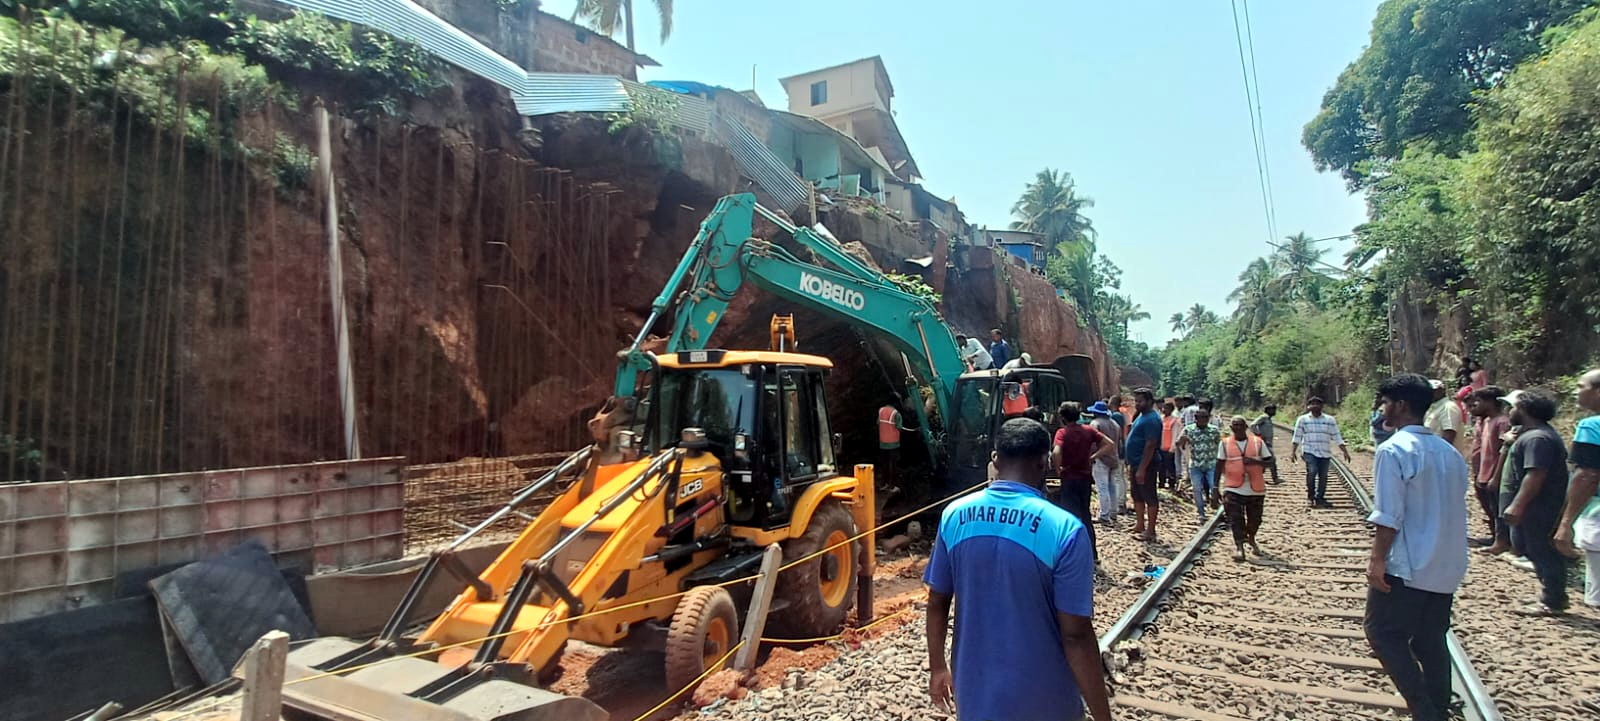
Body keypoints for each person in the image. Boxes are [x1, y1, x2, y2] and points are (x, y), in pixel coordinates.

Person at [924, 417, 1115, 721]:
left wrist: (937, 668)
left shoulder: (954, 516)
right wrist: (1103, 716)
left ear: (996, 460)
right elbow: (1076, 635)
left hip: (975, 696)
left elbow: (936, 602)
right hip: (1046, 702)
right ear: (1044, 463)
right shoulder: (1065, 530)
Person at [1363, 373, 1469, 721]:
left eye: (1385, 403)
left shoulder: (1393, 449)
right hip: (1445, 564)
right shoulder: (1449, 454)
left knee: (1382, 633)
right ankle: (1437, 707)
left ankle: (1426, 712)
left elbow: (1389, 515)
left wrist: (1377, 561)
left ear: (1401, 405)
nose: (1382, 410)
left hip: (1408, 565)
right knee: (1430, 639)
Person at [1502, 389, 1571, 615]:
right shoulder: (1534, 435)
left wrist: (1518, 504)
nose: (1510, 411)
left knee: (1541, 549)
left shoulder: (1537, 439)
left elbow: (1536, 474)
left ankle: (1553, 600)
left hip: (1540, 505)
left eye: (1514, 407)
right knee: (1531, 547)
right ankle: (1550, 595)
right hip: (1537, 504)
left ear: (1524, 410)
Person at [1557, 369, 1600, 609]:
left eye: (1581, 386)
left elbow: (1588, 475)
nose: (1576, 392)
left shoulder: (1591, 426)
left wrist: (1566, 523)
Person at [1054, 402, 1116, 564]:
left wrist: (1058, 468)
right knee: (1085, 515)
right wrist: (1093, 457)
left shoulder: (1062, 433)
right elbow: (1109, 444)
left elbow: (1056, 452)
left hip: (1069, 478)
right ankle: (1093, 554)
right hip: (1085, 478)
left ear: (1063, 417)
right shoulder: (1088, 430)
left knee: (1069, 518)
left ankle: (1072, 555)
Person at [1217, 416, 1271, 561]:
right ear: (1231, 428)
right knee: (1235, 518)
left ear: (1246, 427)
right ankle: (1239, 547)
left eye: (1241, 425)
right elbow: (1219, 464)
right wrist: (1215, 487)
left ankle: (1251, 537)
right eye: (1235, 425)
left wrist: (1254, 461)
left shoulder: (1257, 442)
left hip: (1255, 488)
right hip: (1233, 487)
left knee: (1255, 519)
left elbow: (1270, 462)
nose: (1238, 428)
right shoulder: (1225, 443)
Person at [1467, 387, 1510, 550]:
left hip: (1494, 473)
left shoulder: (1502, 422)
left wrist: (1496, 476)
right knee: (1490, 507)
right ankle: (1495, 537)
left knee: (1499, 509)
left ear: (1492, 402)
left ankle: (1502, 541)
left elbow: (1503, 451)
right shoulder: (1486, 421)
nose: (1476, 404)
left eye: (1480, 401)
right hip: (1484, 473)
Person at [1292, 396, 1350, 508]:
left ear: (1321, 406)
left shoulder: (1329, 420)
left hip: (1325, 452)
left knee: (1323, 476)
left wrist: (1345, 451)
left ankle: (1320, 498)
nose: (1314, 406)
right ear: (1308, 406)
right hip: (1309, 451)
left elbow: (1337, 436)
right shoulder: (1303, 420)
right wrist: (1293, 451)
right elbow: (1297, 436)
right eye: (1312, 404)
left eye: (1317, 404)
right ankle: (1311, 497)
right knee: (1312, 471)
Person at [1124, 388, 1164, 542]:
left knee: (1149, 496)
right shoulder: (1142, 416)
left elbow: (1150, 445)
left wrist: (1142, 468)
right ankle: (1140, 524)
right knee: (1137, 495)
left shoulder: (1152, 419)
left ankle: (1151, 530)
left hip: (1146, 464)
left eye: (1140, 401)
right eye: (1136, 401)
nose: (1137, 404)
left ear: (1149, 401)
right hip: (1136, 463)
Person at [1176, 407, 1222, 525]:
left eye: (1205, 418)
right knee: (1197, 489)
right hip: (1196, 464)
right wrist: (1182, 440)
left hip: (1211, 464)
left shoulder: (1214, 430)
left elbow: (1220, 445)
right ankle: (1201, 513)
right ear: (1195, 419)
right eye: (1200, 418)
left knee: (1214, 487)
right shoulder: (1188, 429)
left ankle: (1217, 507)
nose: (1202, 421)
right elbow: (1178, 443)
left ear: (1208, 419)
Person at [1086, 401, 1124, 522]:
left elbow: (1092, 443)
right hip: (1114, 457)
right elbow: (1119, 442)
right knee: (1112, 486)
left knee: (1102, 487)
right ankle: (1113, 512)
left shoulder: (1095, 424)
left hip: (1100, 458)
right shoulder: (1115, 424)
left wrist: (1091, 457)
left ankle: (1104, 515)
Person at [1424, 379, 1467, 459]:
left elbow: (1449, 436)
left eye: (1433, 390)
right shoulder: (1432, 408)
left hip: (1445, 459)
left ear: (1442, 391)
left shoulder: (1448, 407)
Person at [878, 399, 909, 493]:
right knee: (893, 465)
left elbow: (878, 423)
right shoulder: (896, 414)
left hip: (883, 443)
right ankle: (892, 486)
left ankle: (884, 484)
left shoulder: (881, 411)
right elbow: (899, 428)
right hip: (893, 444)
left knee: (884, 464)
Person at [1249, 404, 1280, 485]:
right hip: (1264, 443)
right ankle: (1275, 478)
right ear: (1268, 410)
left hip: (1267, 443)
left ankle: (1257, 478)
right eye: (1273, 410)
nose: (1274, 412)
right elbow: (1252, 425)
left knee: (1263, 461)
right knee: (1271, 460)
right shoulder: (1264, 417)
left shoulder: (1268, 419)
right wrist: (1259, 435)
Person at [1158, 402, 1180, 491]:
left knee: (1170, 466)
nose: (1164, 410)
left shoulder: (1174, 421)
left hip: (1169, 449)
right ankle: (1161, 483)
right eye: (1163, 408)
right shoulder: (1161, 419)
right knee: (1161, 467)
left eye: (1166, 408)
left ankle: (1172, 484)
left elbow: (1175, 435)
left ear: (1171, 410)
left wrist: (1172, 448)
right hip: (1161, 447)